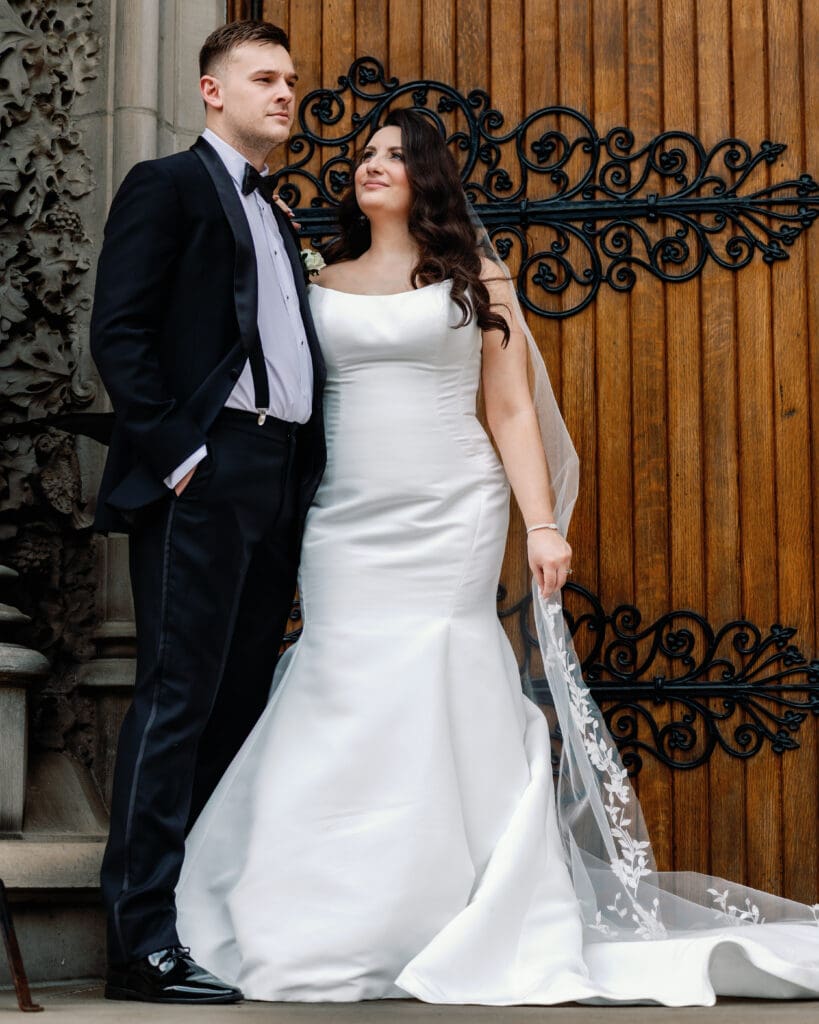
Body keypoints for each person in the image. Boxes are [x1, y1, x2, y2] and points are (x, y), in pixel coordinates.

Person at [175, 109, 819, 1005]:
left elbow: (512, 409)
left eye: (396, 156)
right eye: (366, 154)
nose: (374, 166)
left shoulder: (474, 275)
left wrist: (542, 523)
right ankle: (323, 905)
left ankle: (459, 901)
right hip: (343, 512)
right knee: (339, 675)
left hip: (450, 504)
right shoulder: (315, 274)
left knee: (441, 665)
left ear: (428, 176)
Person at [90, 20, 325, 1004]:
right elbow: (120, 332)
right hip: (207, 467)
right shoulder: (167, 185)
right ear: (211, 91)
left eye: (291, 79)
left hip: (278, 474)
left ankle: (199, 917)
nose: (286, 92)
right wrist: (183, 454)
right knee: (177, 698)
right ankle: (139, 939)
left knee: (236, 702)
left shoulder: (281, 218)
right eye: (264, 77)